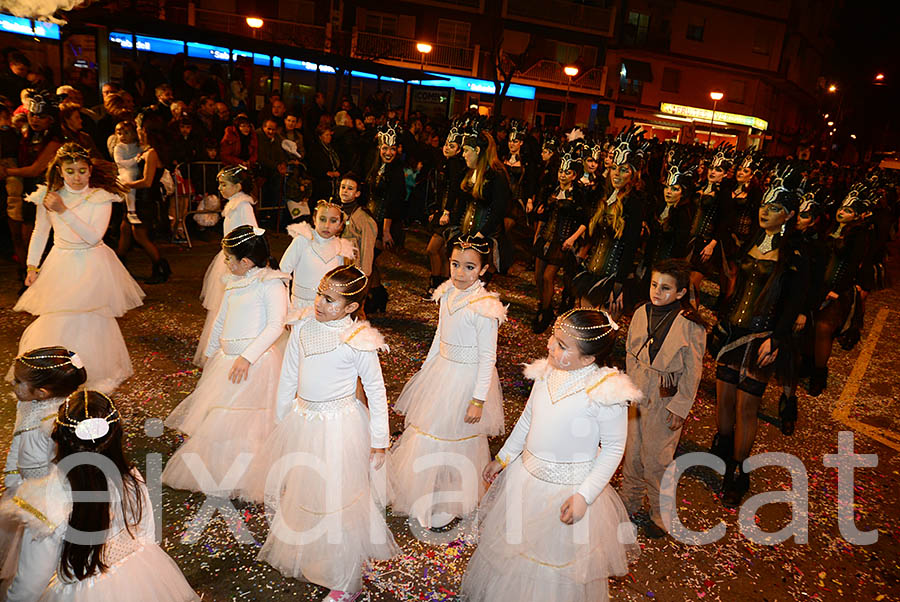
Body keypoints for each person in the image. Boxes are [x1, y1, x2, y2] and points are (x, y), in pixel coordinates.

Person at [238, 265, 398, 602]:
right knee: (306, 490)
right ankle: (313, 556)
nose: (319, 302)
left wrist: (380, 441)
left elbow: (376, 390)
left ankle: (344, 579)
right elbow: (289, 376)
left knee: (338, 499)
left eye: (329, 299)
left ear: (352, 307)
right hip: (304, 421)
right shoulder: (302, 329)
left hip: (340, 425)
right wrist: (283, 420)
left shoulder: (358, 340)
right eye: (319, 294)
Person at [461, 309, 640, 602]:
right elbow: (528, 419)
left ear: (588, 358)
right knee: (518, 552)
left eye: (561, 345)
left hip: (567, 493)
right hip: (527, 480)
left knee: (555, 566)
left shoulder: (606, 393)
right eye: (553, 339)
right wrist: (504, 457)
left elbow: (613, 448)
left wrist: (585, 495)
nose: (549, 347)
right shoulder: (546, 373)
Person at [0, 390, 200, 601]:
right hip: (138, 576)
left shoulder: (47, 498)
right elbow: (146, 532)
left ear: (59, 437)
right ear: (116, 435)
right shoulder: (130, 476)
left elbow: (31, 582)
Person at [389, 235, 506, 530]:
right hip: (442, 373)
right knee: (430, 433)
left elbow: (487, 358)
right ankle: (426, 489)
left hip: (466, 381)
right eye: (455, 264)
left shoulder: (485, 307)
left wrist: (478, 398)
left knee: (456, 439)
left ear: (483, 270)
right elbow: (439, 338)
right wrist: (426, 374)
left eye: (469, 267)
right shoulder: (447, 294)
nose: (459, 273)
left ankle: (452, 497)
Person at [708, 164, 808, 507]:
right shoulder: (752, 238)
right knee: (722, 401)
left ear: (790, 214)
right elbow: (734, 286)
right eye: (764, 205)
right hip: (733, 328)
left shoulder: (795, 251)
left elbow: (793, 300)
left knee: (745, 408)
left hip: (762, 337)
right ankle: (723, 448)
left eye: (775, 208)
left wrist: (777, 340)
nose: (766, 211)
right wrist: (720, 321)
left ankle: (738, 471)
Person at [163, 226, 288, 497]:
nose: (226, 263)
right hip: (226, 360)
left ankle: (247, 475)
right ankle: (217, 470)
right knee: (220, 415)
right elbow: (221, 319)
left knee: (246, 420)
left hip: (253, 364)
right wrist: (210, 353)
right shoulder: (233, 282)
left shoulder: (270, 283)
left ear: (245, 261)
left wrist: (247, 357)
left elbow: (276, 326)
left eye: (229, 259)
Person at [11, 143, 144, 393]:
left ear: (90, 170)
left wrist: (64, 210)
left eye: (82, 170)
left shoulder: (100, 197)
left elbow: (92, 237)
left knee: (89, 319)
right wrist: (32, 266)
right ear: (60, 171)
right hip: (60, 262)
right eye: (70, 171)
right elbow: (41, 232)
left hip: (91, 263)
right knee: (57, 318)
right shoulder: (48, 195)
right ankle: (54, 374)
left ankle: (92, 370)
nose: (76, 177)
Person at [620, 259, 706, 538]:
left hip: (665, 399)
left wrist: (680, 407)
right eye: (654, 285)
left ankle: (660, 513)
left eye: (666, 288)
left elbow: (693, 371)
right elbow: (630, 355)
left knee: (658, 459)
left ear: (681, 293)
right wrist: (626, 389)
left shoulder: (691, 325)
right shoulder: (641, 312)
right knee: (632, 454)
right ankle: (629, 502)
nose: (657, 291)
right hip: (638, 392)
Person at [0, 348, 87, 582]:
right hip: (20, 485)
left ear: (41, 392)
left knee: (38, 553)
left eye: (19, 382)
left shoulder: (56, 422)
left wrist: (30, 489)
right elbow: (18, 440)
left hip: (44, 498)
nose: (12, 384)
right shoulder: (27, 404)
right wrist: (12, 477)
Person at [808, 183, 872, 396]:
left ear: (856, 215)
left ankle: (819, 375)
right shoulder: (828, 227)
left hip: (839, 290)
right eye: (841, 208)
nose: (841, 212)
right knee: (809, 324)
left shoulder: (859, 234)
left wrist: (837, 289)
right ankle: (807, 364)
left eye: (848, 210)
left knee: (823, 328)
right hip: (818, 285)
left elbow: (854, 263)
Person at [578, 126, 648, 319]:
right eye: (614, 168)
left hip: (613, 274)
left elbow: (630, 245)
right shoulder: (605, 195)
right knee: (584, 320)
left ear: (633, 175)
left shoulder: (634, 204)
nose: (616, 174)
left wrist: (619, 283)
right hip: (591, 270)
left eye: (623, 170)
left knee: (603, 325)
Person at [194, 165, 258, 367]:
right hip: (229, 258)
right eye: (219, 184)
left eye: (224, 184)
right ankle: (217, 349)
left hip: (238, 261)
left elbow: (251, 233)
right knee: (222, 307)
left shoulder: (243, 206)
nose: (220, 188)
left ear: (238, 186)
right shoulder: (233, 204)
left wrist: (245, 261)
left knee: (231, 306)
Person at [531, 138, 589, 333]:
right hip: (545, 237)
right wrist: (537, 234)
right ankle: (543, 303)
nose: (563, 175)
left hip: (562, 241)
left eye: (567, 172)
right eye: (561, 171)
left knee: (548, 277)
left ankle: (546, 312)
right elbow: (544, 215)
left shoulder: (579, 193)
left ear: (574, 175)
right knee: (538, 276)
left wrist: (572, 239)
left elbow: (584, 222)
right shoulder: (552, 189)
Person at [121, 111, 171, 283]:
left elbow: (147, 182)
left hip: (145, 199)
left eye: (138, 126)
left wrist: (127, 185)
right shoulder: (148, 151)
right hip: (139, 198)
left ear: (145, 129)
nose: (137, 129)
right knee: (125, 229)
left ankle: (160, 267)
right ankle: (118, 264)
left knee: (140, 235)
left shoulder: (152, 153)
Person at [280, 200, 356, 310]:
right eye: (322, 219)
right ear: (315, 220)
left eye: (333, 221)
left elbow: (341, 284)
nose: (327, 225)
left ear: (340, 225)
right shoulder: (303, 241)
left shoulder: (342, 249)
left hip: (327, 308)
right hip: (299, 307)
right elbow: (283, 273)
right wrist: (285, 308)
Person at [364, 121, 407, 313]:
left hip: (385, 224)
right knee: (369, 261)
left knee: (369, 260)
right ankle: (377, 295)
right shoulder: (375, 165)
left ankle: (374, 296)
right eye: (384, 148)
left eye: (392, 149)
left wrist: (386, 230)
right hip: (372, 221)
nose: (388, 152)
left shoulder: (396, 172)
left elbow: (393, 203)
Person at [424, 119, 466, 296]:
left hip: (451, 213)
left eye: (452, 145)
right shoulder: (447, 162)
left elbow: (455, 189)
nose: (447, 147)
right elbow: (440, 191)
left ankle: (437, 285)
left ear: (459, 150)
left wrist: (447, 211)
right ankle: (441, 286)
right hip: (444, 211)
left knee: (433, 249)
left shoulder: (455, 164)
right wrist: (436, 210)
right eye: (446, 144)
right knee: (440, 251)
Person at [338, 173, 377, 283]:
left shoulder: (364, 218)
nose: (345, 191)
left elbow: (367, 247)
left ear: (357, 193)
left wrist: (365, 273)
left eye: (350, 188)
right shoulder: (335, 210)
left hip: (352, 266)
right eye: (343, 187)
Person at [306, 123, 341, 203]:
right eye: (326, 135)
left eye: (330, 135)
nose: (329, 137)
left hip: (333, 184)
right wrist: (326, 173)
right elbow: (313, 167)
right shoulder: (315, 150)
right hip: (321, 184)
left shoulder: (332, 149)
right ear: (320, 136)